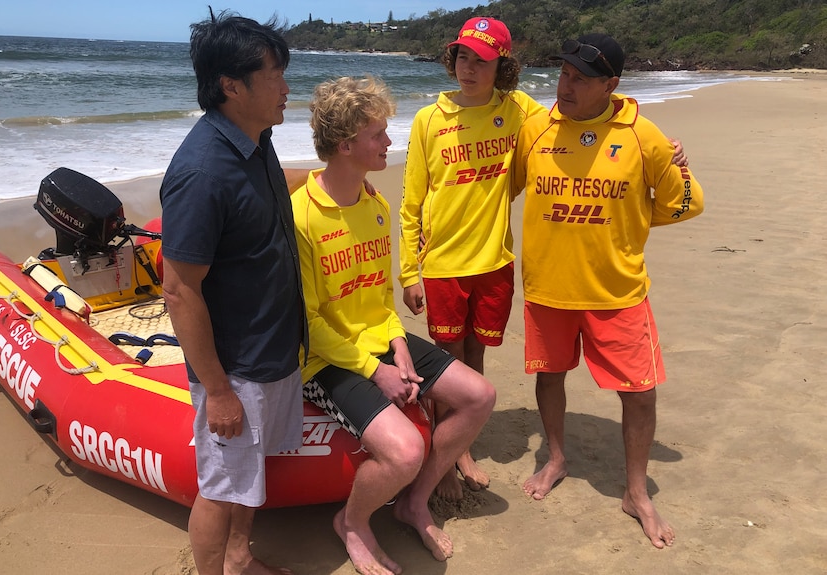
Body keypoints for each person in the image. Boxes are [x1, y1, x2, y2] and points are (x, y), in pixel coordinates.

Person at [292, 75, 496, 575]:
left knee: (479, 396)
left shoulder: (375, 205)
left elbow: (381, 298)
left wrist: (399, 349)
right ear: (346, 145)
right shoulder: (300, 219)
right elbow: (306, 323)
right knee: (405, 450)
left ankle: (413, 502)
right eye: (378, 134)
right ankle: (353, 523)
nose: (390, 142)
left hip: (380, 340)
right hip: (323, 359)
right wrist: (372, 367)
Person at [512, 33, 705, 549]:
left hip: (616, 292)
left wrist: (636, 216)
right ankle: (555, 458)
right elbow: (501, 184)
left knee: (639, 394)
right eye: (563, 74)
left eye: (580, 78)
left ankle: (636, 492)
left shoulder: (643, 135)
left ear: (610, 85)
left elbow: (686, 202)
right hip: (548, 288)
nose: (565, 85)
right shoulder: (535, 128)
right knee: (549, 378)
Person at [159, 11, 307, 575]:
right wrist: (218, 391)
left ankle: (240, 560)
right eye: (275, 75)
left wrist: (331, 175)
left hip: (273, 349)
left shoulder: (256, 139)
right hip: (236, 367)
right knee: (220, 488)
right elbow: (178, 290)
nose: (287, 87)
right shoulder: (202, 172)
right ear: (231, 85)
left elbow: (263, 204)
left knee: (250, 473)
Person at [399, 16, 545, 500]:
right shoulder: (429, 120)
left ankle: (464, 437)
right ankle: (450, 458)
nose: (469, 68)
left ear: (501, 65)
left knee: (476, 352)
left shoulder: (519, 109)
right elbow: (411, 201)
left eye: (481, 60)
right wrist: (408, 272)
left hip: (494, 261)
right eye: (463, 56)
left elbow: (565, 125)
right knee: (447, 360)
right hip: (441, 265)